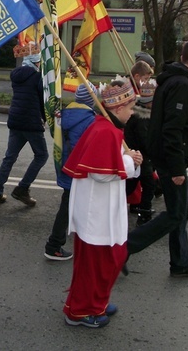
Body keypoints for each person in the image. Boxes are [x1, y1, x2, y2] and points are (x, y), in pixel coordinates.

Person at [61, 80, 143, 328]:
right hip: (96, 211)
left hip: (103, 207)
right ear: (118, 108)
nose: (133, 113)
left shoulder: (109, 128)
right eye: (130, 107)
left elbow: (111, 164)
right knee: (97, 263)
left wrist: (130, 160)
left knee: (108, 259)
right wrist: (131, 162)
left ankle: (97, 301)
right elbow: (101, 172)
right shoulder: (104, 130)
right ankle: (80, 311)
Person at [126, 38, 188, 279]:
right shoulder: (181, 84)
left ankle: (181, 262)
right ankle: (124, 247)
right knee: (175, 214)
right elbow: (172, 129)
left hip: (168, 157)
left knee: (181, 212)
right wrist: (175, 170)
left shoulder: (173, 79)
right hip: (170, 159)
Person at [44, 82, 97, 261]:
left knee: (72, 204)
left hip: (66, 165)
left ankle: (79, 241)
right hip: (80, 170)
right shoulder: (89, 120)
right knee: (69, 206)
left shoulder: (65, 114)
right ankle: (54, 245)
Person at [0, 46, 48, 208]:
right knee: (41, 156)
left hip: (15, 120)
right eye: (38, 62)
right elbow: (42, 101)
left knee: (9, 157)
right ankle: (23, 188)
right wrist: (45, 117)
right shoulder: (37, 77)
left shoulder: (16, 75)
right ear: (36, 62)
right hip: (31, 122)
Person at [125, 78, 158, 225]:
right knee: (148, 184)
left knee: (132, 184)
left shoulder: (141, 114)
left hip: (139, 156)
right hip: (140, 156)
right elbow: (145, 139)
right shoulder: (142, 118)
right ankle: (144, 212)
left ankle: (142, 210)